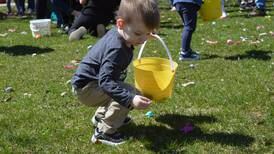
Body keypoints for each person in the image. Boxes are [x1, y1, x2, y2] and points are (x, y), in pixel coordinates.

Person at [71, 0, 160, 146]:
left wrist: (143, 33)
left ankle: (102, 117)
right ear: (120, 24)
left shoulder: (120, 34)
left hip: (89, 84)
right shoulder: (116, 50)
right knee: (129, 93)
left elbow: (106, 81)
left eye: (147, 33)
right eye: (139, 33)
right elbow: (106, 82)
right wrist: (130, 99)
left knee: (127, 91)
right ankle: (105, 132)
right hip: (87, 89)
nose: (143, 39)